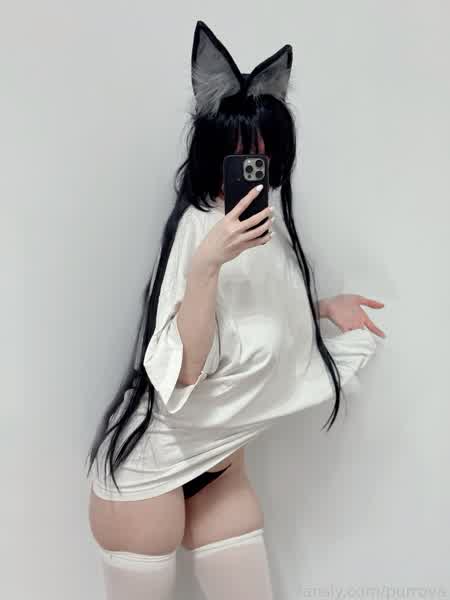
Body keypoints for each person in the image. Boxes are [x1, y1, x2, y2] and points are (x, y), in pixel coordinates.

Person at [85, 20, 385, 600]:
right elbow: (186, 370)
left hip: (221, 463)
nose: (253, 167)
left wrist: (324, 307)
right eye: (239, 154)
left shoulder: (268, 231)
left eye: (264, 155)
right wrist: (206, 265)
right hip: (149, 466)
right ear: (212, 154)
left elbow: (253, 316)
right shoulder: (200, 232)